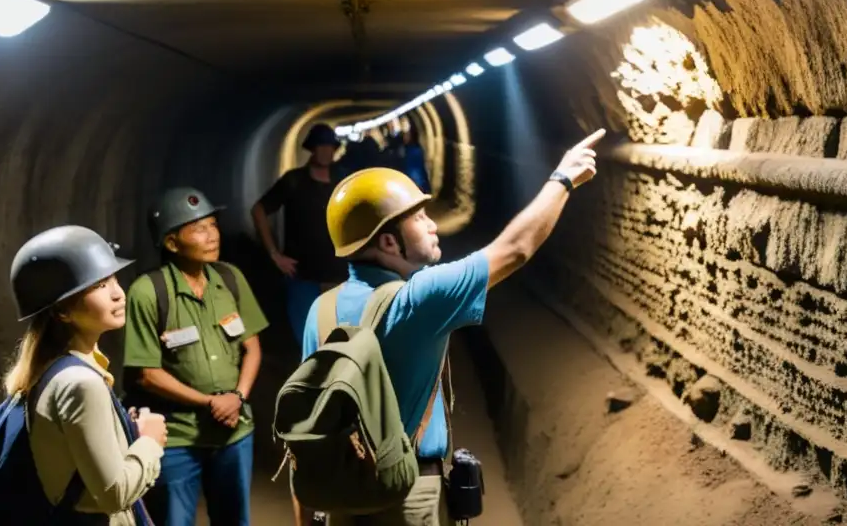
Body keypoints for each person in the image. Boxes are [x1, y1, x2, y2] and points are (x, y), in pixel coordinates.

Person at [298, 128, 606, 525]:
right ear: (389, 243)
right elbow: (515, 249)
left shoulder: (321, 311)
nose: (433, 225)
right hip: (408, 496)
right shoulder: (419, 299)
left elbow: (310, 423)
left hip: (343, 498)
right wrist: (563, 178)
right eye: (419, 218)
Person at [123, 187, 269, 526]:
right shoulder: (149, 293)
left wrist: (237, 397)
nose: (212, 235)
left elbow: (253, 346)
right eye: (199, 228)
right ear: (172, 243)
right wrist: (209, 403)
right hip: (176, 438)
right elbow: (146, 373)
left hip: (234, 434)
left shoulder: (230, 279)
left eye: (214, 225)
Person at [7, 225, 167, 525]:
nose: (118, 293)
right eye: (99, 284)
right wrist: (149, 441)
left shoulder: (53, 369)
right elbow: (113, 494)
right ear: (62, 311)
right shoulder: (80, 383)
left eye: (114, 278)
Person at [251, 122, 348, 346]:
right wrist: (274, 254)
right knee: (308, 339)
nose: (325, 151)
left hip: (338, 274)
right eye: (320, 146)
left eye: (329, 146)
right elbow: (259, 210)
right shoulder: (294, 181)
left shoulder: (343, 180)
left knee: (340, 338)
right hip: (302, 276)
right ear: (311, 149)